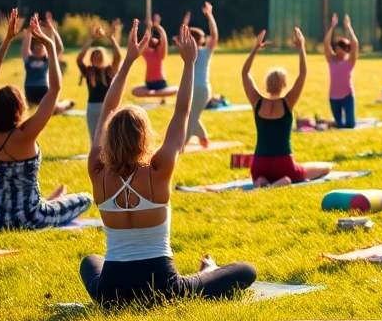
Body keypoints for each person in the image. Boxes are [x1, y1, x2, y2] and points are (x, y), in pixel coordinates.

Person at [79, 19, 257, 305]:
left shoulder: (97, 170)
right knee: (247, 270)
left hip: (111, 292)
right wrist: (189, 64)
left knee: (90, 261)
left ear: (111, 136)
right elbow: (182, 112)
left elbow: (108, 107)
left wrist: (127, 62)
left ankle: (200, 274)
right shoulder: (158, 170)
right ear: (143, 136)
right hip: (162, 288)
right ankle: (206, 271)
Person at [0, 11, 93, 231]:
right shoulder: (25, 133)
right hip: (31, 217)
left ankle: (51, 201)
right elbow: (56, 88)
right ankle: (51, 203)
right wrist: (49, 44)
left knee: (50, 202)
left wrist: (8, 40)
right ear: (20, 108)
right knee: (85, 198)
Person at [240, 28, 332, 187]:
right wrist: (302, 47)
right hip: (284, 165)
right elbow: (303, 74)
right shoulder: (287, 103)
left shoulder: (257, 102)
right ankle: (282, 182)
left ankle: (261, 181)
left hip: (258, 165)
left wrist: (256, 48)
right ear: (283, 85)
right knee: (326, 167)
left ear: (267, 84)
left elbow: (245, 73)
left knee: (263, 175)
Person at [178, 4, 219, 147]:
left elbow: (213, 36)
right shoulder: (192, 51)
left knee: (190, 117)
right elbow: (214, 35)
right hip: (199, 89)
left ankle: (181, 146)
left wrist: (185, 23)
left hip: (200, 89)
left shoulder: (199, 52)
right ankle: (203, 138)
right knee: (192, 116)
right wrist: (209, 15)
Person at [76, 20, 122, 141]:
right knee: (95, 139)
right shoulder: (89, 71)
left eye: (99, 54)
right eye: (94, 54)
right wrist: (91, 40)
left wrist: (112, 39)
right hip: (93, 107)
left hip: (108, 106)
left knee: (111, 137)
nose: (97, 56)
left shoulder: (109, 71)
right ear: (91, 58)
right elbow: (79, 59)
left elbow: (118, 56)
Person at [22, 12, 74, 115]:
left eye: (40, 45)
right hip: (30, 91)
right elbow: (25, 47)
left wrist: (51, 29)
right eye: (35, 45)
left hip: (44, 90)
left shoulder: (47, 59)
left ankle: (66, 103)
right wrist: (29, 30)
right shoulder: (28, 58)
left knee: (54, 110)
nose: (37, 47)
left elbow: (58, 48)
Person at [132, 14, 179, 98]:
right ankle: (155, 93)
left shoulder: (160, 54)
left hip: (160, 83)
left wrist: (158, 27)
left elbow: (164, 42)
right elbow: (144, 42)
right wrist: (149, 28)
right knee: (134, 91)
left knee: (176, 89)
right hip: (149, 83)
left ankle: (154, 93)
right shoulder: (147, 53)